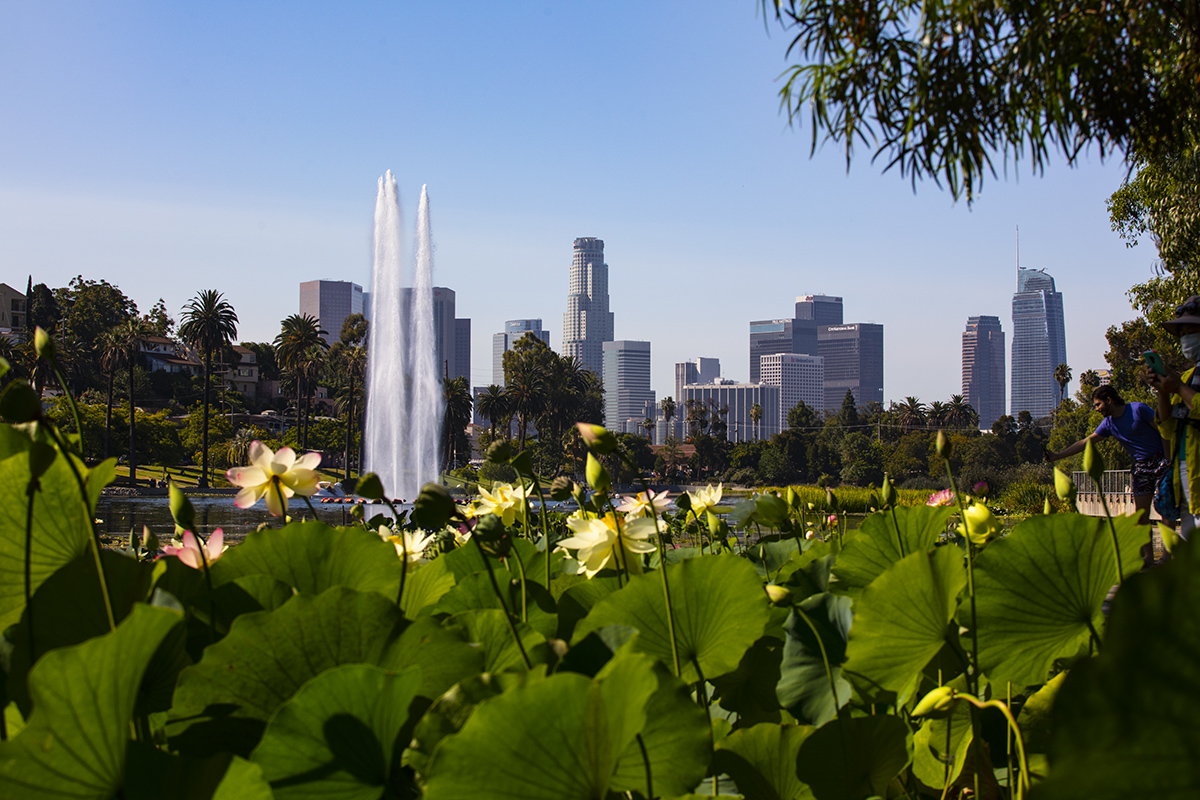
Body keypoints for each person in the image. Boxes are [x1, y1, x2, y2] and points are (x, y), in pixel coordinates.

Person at [1046, 385, 1167, 524]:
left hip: (1161, 460)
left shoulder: (1138, 409)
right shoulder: (1109, 424)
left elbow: (1164, 429)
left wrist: (1171, 457)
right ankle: (1146, 546)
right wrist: (1057, 456)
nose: (1097, 409)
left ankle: (1172, 544)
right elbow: (1086, 442)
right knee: (1141, 517)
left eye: (1098, 404)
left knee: (1166, 509)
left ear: (1109, 400)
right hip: (1141, 467)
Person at [1148, 295, 1200, 539]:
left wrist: (1178, 387)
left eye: (1191, 330)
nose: (1185, 338)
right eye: (1182, 332)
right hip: (1185, 474)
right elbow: (1168, 429)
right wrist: (1162, 391)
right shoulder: (1188, 376)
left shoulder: (1183, 382)